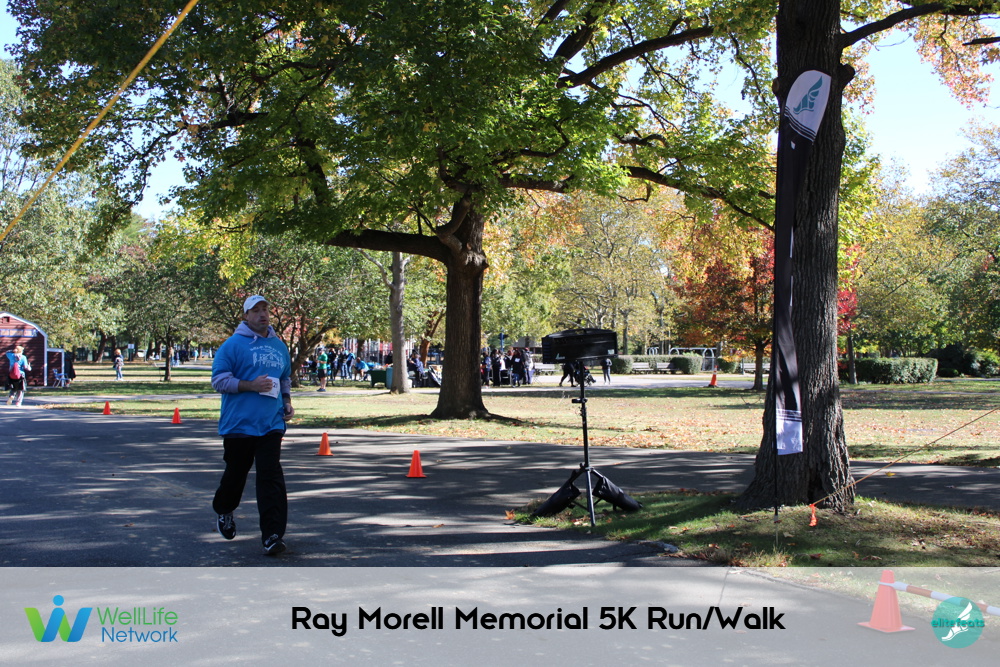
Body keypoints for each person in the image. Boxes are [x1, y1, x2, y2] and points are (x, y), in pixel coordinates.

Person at [210, 295, 294, 556]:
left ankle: (272, 535)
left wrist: (287, 402)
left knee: (271, 477)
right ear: (246, 316)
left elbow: (285, 378)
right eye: (255, 310)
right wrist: (250, 385)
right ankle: (225, 509)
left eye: (265, 309)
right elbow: (219, 380)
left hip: (271, 423)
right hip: (239, 424)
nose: (262, 314)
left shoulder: (279, 346)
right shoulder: (232, 345)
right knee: (236, 474)